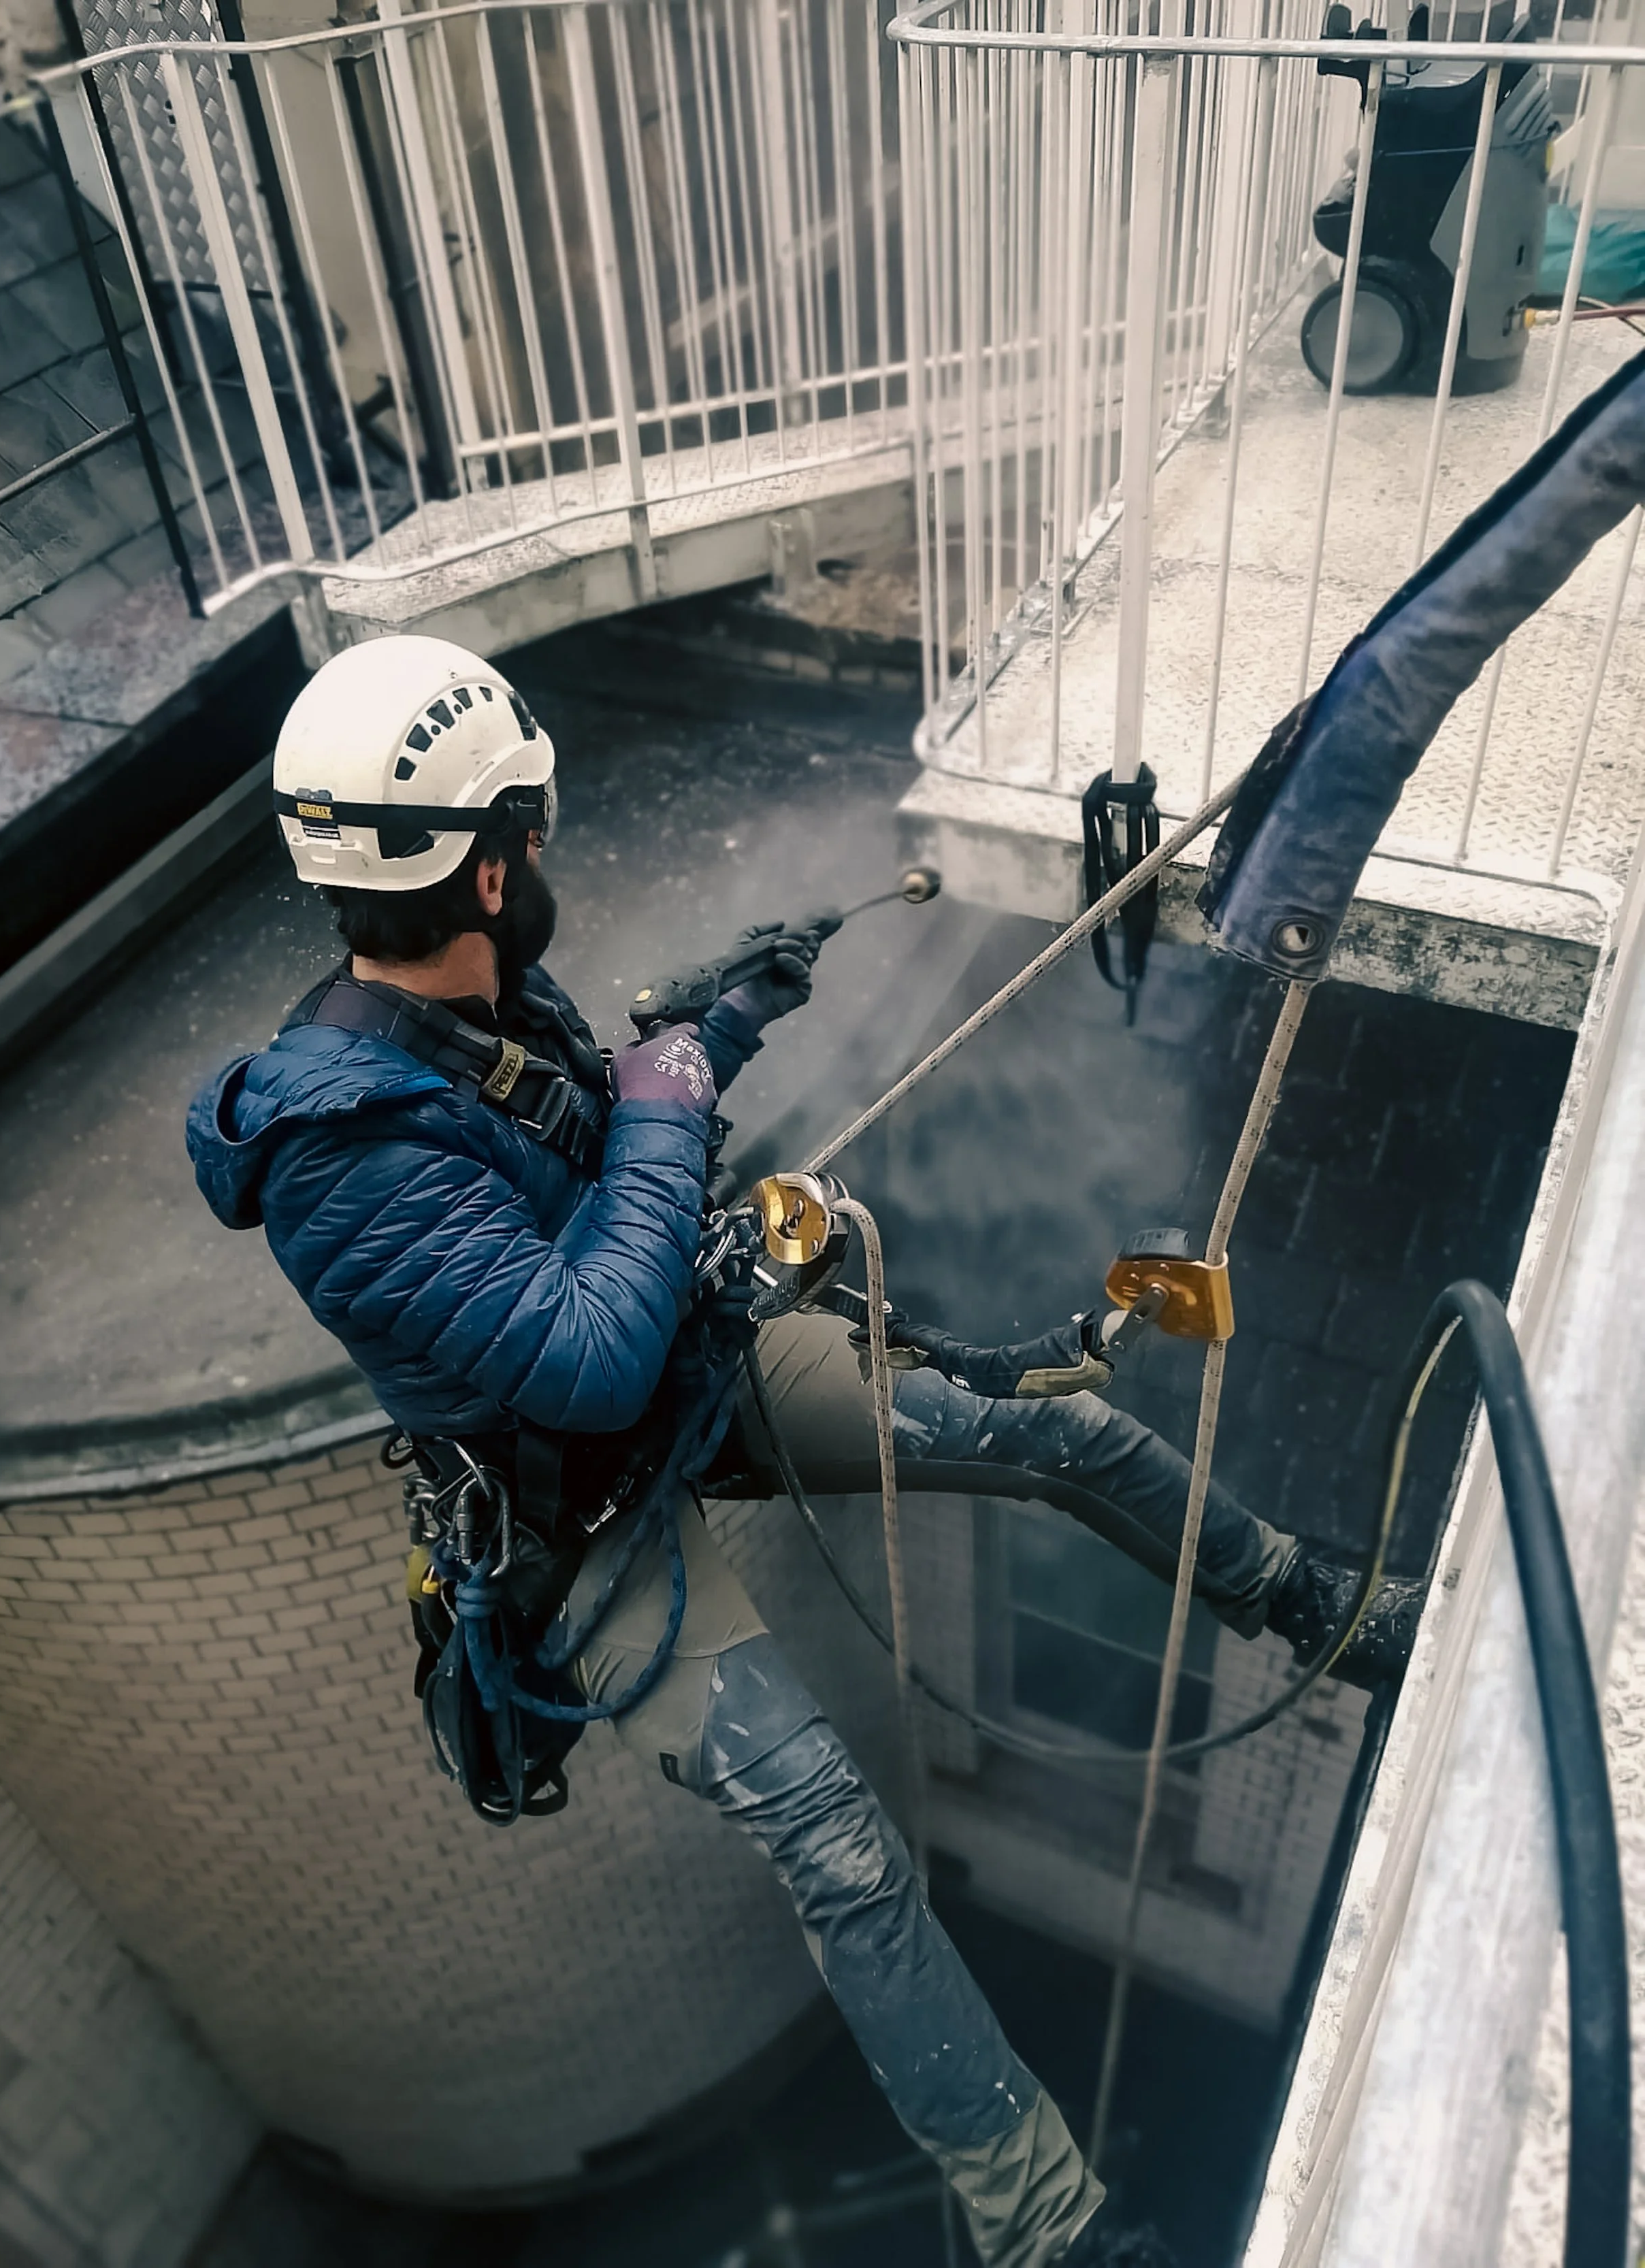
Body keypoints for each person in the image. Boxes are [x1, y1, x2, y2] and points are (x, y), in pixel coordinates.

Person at [186, 635, 1421, 2268]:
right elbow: (579, 1353)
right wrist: (671, 1084)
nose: (544, 855)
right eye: (533, 834)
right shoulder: (336, 1158)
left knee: (1059, 1429)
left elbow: (596, 1149)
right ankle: (1045, 2232)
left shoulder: (474, 1003)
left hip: (686, 1370)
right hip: (581, 1523)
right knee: (834, 1833)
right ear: (486, 865)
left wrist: (723, 1023)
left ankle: (1317, 1609)